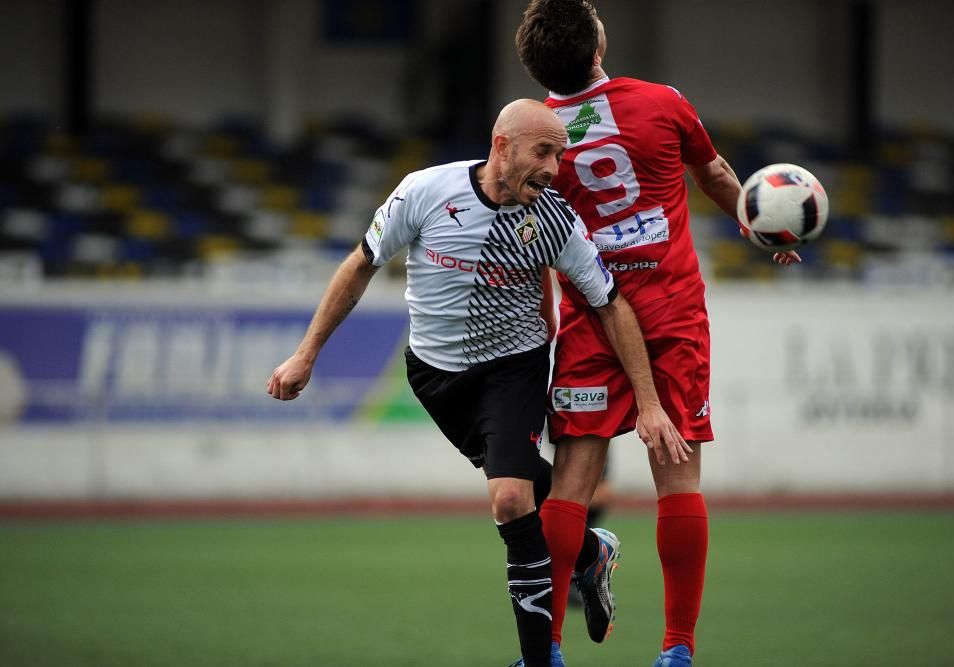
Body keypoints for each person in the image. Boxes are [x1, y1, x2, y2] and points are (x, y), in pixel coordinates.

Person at [266, 98, 684, 667]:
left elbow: (610, 304)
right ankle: (591, 549)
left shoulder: (556, 218)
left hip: (514, 369)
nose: (553, 168)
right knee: (528, 486)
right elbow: (361, 263)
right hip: (433, 376)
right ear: (501, 146)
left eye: (560, 156)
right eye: (544, 152)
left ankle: (539, 658)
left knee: (511, 499)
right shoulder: (424, 192)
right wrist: (305, 355)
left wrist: (650, 402)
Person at [515, 3, 802, 666]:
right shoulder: (661, 102)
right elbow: (718, 176)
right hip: (671, 313)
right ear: (598, 43)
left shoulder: (537, 132)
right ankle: (677, 649)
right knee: (678, 475)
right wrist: (758, 224)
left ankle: (548, 648)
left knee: (570, 484)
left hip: (591, 316)